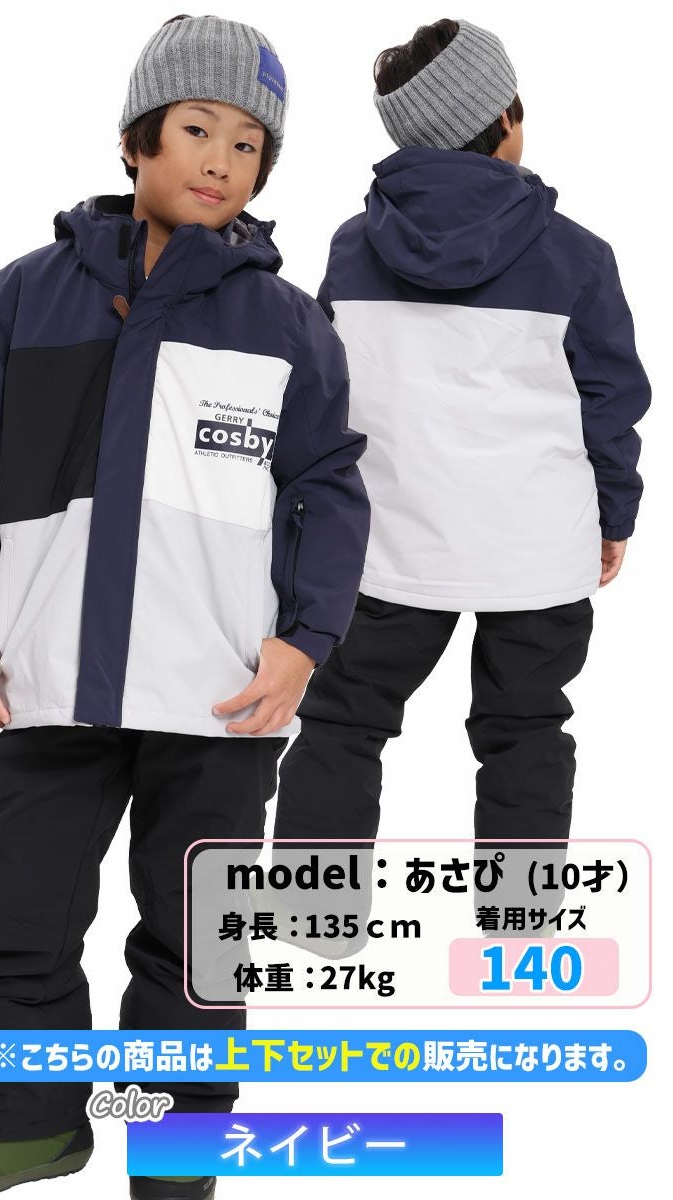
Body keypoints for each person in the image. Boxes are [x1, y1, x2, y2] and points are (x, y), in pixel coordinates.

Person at [0, 13, 369, 1200]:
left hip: (218, 690)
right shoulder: (25, 297)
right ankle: (27, 1123)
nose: (221, 160)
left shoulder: (287, 324)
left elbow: (328, 489)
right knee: (10, 904)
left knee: (197, 934)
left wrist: (304, 641)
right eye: (196, 129)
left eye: (248, 145)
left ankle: (176, 1141)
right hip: (52, 676)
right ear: (136, 140)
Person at [272, 19, 650, 886]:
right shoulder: (577, 257)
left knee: (343, 721)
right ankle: (518, 928)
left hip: (388, 548)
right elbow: (611, 404)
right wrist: (613, 515)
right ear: (506, 118)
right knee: (527, 730)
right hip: (538, 549)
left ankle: (311, 917)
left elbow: (327, 391)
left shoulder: (352, 248)